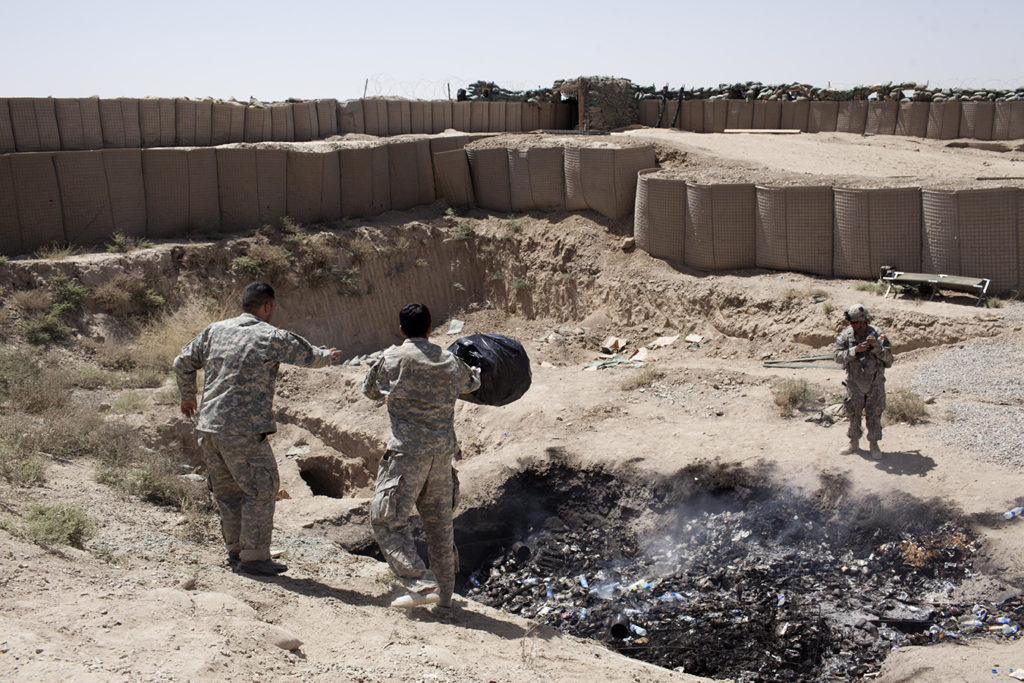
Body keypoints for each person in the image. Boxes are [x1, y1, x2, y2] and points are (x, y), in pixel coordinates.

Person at [173, 281, 341, 576]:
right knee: (262, 487)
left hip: (208, 428)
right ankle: (254, 558)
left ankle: (237, 550)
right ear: (268, 306)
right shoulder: (269, 336)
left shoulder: (215, 330)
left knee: (228, 493)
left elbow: (181, 362)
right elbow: (308, 356)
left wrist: (188, 395)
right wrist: (328, 356)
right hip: (243, 431)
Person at [361, 302, 481, 609]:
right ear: (430, 329)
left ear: (401, 329)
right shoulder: (450, 360)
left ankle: (420, 582)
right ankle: (445, 600)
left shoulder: (392, 357)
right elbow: (473, 383)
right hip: (442, 457)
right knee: (440, 528)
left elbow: (370, 391)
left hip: (406, 456)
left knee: (385, 520)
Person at [833, 304, 893, 458]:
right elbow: (837, 357)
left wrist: (876, 348)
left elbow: (889, 360)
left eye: (855, 323)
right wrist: (854, 350)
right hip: (854, 383)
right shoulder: (846, 336)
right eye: (851, 323)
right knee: (853, 414)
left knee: (874, 415)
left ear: (864, 321)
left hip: (875, 383)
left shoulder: (878, 335)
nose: (852, 326)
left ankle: (874, 445)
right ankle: (853, 443)